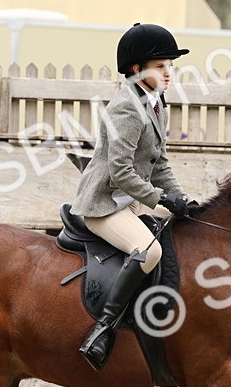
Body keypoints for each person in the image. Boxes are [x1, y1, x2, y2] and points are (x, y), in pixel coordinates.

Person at [70, 23, 193, 369]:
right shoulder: (125, 107)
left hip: (134, 198)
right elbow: (121, 171)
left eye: (171, 65)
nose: (169, 73)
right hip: (104, 202)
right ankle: (103, 328)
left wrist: (181, 199)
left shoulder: (157, 104)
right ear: (137, 70)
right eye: (161, 66)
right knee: (149, 251)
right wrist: (160, 199)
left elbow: (160, 165)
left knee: (190, 228)